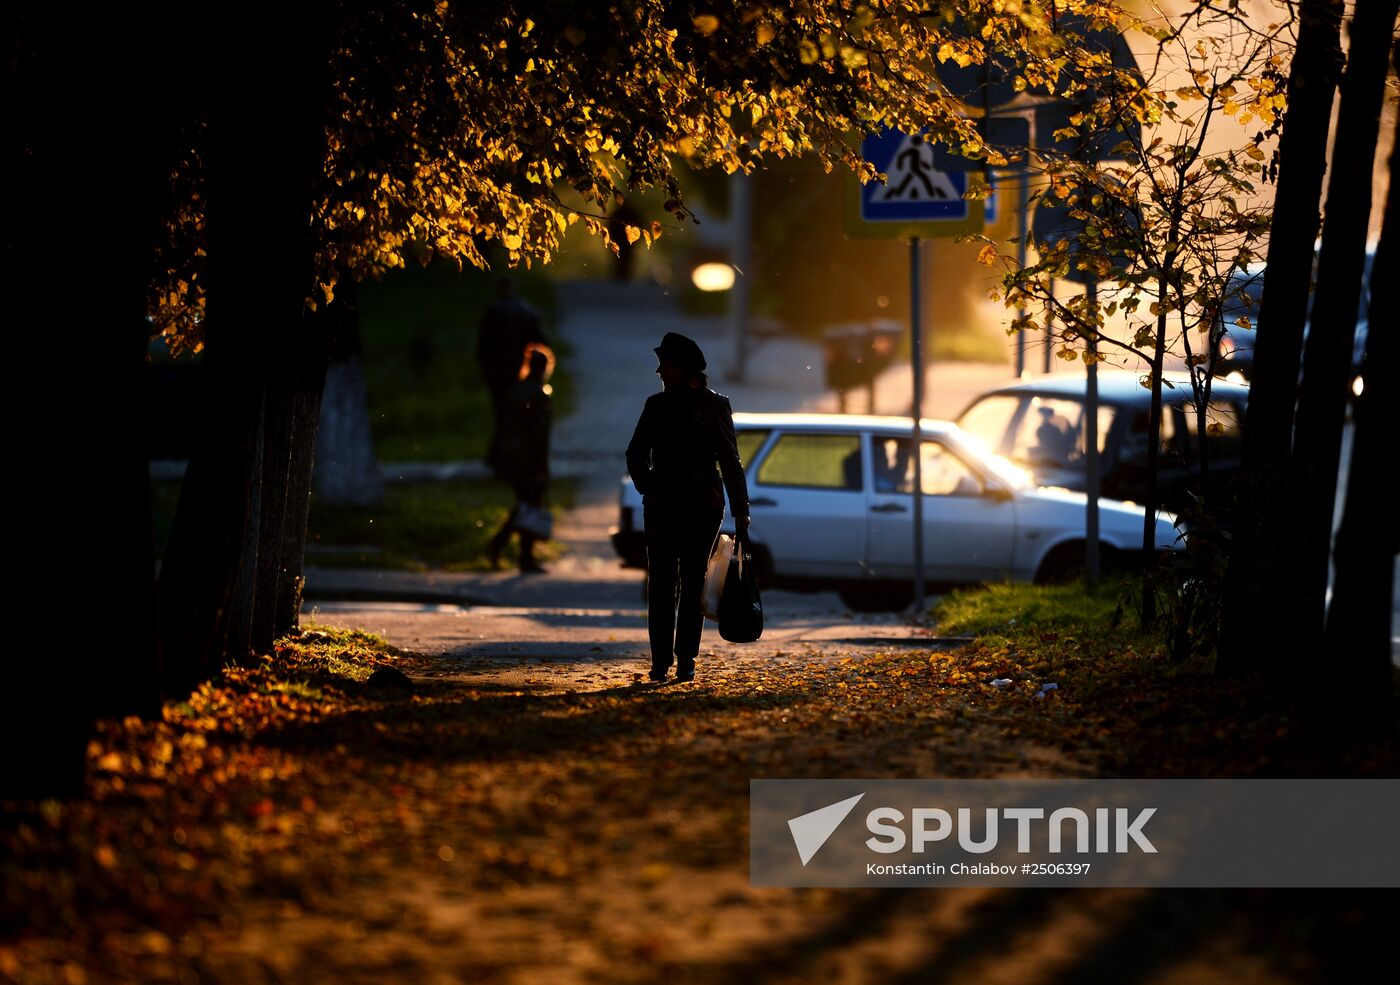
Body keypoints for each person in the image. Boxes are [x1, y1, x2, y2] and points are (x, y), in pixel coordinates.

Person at [626, 333, 749, 683]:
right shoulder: (655, 405)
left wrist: (741, 508)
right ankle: (661, 661)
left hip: (702, 506)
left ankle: (685, 660)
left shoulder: (714, 405)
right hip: (663, 505)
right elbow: (635, 453)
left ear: (682, 368)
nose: (659, 370)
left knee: (692, 583)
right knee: (662, 584)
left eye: (665, 363)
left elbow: (730, 460)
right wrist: (649, 486)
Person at [487, 343, 554, 574]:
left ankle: (503, 546)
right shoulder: (539, 394)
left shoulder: (516, 389)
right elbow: (538, 435)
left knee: (524, 506)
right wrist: (541, 466)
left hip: (510, 457)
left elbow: (503, 425)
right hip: (528, 459)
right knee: (530, 505)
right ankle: (520, 555)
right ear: (545, 367)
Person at [476, 277, 545, 477]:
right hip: (521, 374)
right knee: (518, 417)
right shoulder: (526, 310)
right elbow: (541, 341)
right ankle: (510, 460)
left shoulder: (493, 312)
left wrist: (486, 369)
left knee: (503, 416)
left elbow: (484, 347)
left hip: (498, 374)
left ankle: (501, 460)